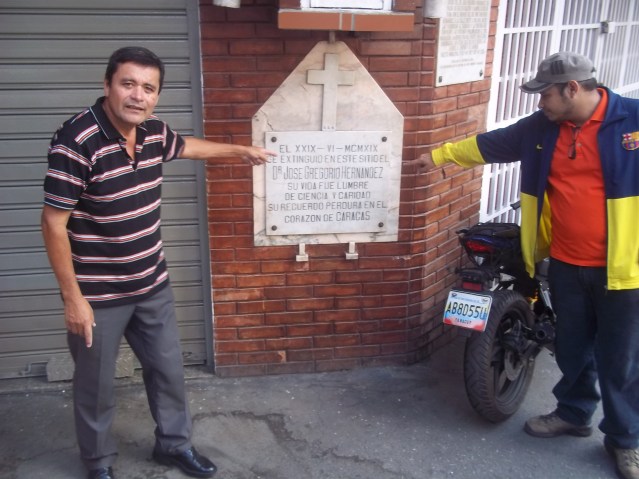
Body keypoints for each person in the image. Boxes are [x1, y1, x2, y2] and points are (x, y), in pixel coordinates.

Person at [41, 46, 274, 479]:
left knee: (168, 372)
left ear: (156, 96)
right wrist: (73, 299)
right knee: (96, 388)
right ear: (107, 85)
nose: (137, 96)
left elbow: (187, 146)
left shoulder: (152, 132)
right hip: (98, 294)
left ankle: (173, 446)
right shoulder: (76, 141)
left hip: (152, 284)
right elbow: (53, 224)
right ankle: (98, 464)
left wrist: (240, 150)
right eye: (128, 84)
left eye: (148, 88)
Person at [413, 52, 639, 479]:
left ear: (573, 89)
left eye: (546, 95)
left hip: (626, 269)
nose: (540, 103)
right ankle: (573, 413)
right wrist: (440, 155)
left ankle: (625, 439)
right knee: (572, 348)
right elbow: (490, 144)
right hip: (566, 264)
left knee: (622, 359)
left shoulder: (632, 121)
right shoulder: (543, 129)